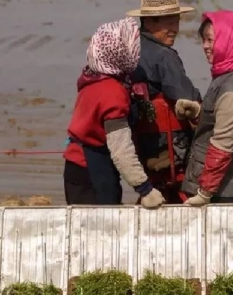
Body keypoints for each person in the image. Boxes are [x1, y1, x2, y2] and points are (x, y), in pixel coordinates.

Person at [62, 17, 165, 208]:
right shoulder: (113, 93)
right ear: (121, 52)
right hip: (91, 170)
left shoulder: (91, 78)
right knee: (100, 228)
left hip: (76, 166)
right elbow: (120, 148)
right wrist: (145, 189)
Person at [178, 10, 233, 206]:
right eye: (204, 40)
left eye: (210, 40)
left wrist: (205, 193)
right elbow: (220, 120)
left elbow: (222, 144)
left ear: (229, 39)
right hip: (218, 184)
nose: (205, 46)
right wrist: (198, 113)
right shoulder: (226, 74)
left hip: (224, 190)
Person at [125, 0, 202, 203]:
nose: (175, 29)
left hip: (140, 144)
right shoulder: (164, 56)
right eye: (169, 23)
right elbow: (186, 95)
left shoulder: (130, 50)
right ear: (149, 22)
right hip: (168, 147)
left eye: (176, 22)